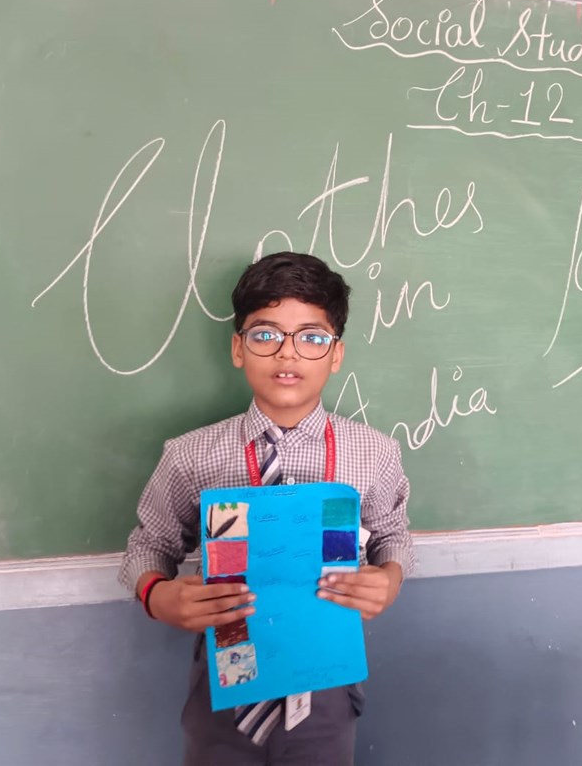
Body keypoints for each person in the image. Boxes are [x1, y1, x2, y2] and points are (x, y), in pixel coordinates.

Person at [120, 251, 415, 766]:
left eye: (311, 338)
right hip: (224, 682)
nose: (287, 354)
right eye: (265, 334)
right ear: (238, 347)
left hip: (326, 680)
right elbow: (149, 545)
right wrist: (159, 596)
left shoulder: (374, 452)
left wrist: (389, 578)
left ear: (336, 354)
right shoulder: (191, 455)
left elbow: (393, 534)